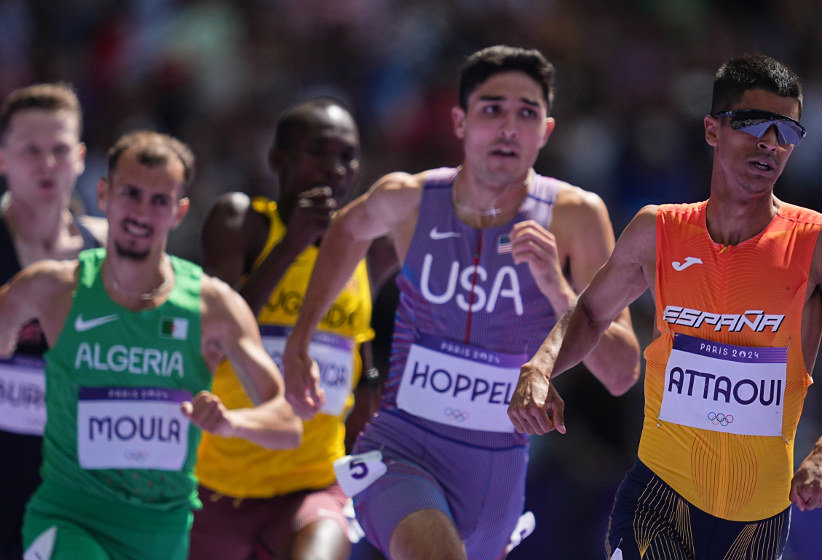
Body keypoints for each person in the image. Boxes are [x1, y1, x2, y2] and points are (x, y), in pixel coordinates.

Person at [508, 53, 822, 560]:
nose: (770, 144)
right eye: (754, 124)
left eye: (787, 132)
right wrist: (541, 365)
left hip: (759, 522)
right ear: (712, 129)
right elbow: (594, 313)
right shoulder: (657, 230)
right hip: (659, 501)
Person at [282, 45, 641, 560]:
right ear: (460, 121)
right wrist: (303, 338)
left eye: (527, 113)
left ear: (546, 130)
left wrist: (556, 287)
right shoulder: (407, 198)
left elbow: (622, 371)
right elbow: (348, 229)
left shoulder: (575, 216)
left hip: (498, 473)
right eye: (492, 109)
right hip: (401, 446)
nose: (509, 127)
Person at [0, 130, 302, 560]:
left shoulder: (212, 306)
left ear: (179, 212)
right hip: (69, 517)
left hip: (162, 532)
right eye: (131, 194)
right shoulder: (52, 288)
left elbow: (287, 424)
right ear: (103, 195)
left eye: (159, 201)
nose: (142, 212)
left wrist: (232, 423)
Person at [191, 97, 393, 560]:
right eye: (319, 152)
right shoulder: (241, 221)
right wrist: (292, 244)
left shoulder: (369, 250)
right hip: (216, 482)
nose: (335, 168)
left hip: (312, 482)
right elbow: (214, 336)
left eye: (348, 157)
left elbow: (357, 353)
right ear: (277, 160)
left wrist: (368, 382)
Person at [0, 82, 107, 560]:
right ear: (3, 158)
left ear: (81, 156)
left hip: (72, 477)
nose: (47, 164)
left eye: (60, 150)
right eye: (31, 151)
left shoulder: (109, 255)